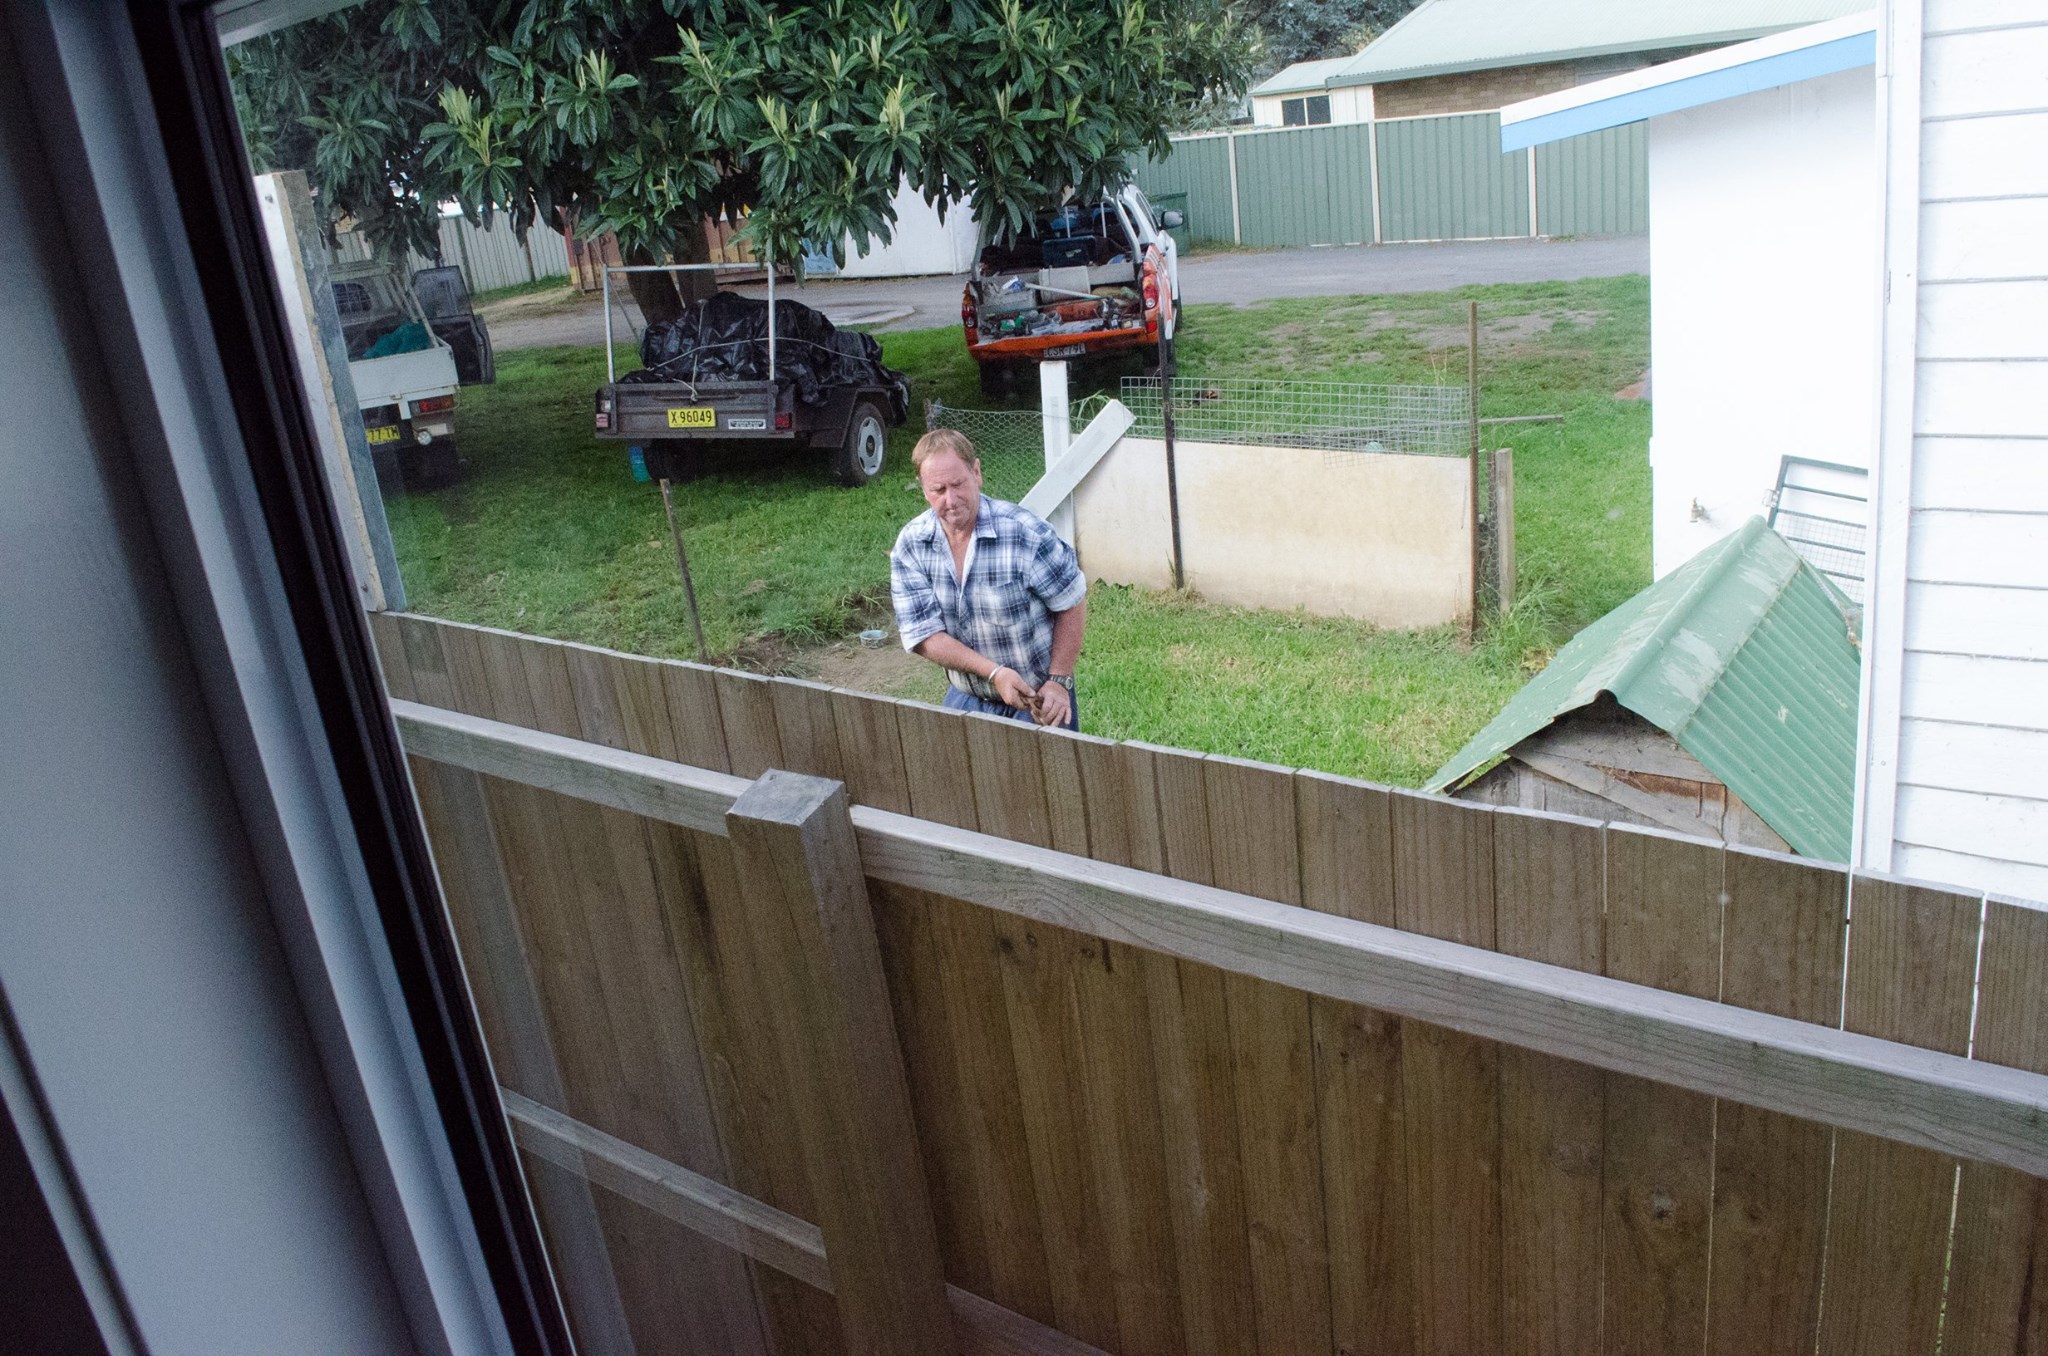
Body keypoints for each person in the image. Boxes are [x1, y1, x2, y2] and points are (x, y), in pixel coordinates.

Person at [890, 428, 1087, 729]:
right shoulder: (912, 545)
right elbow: (923, 635)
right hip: (967, 696)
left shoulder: (1025, 534)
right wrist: (994, 674)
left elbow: (1072, 601)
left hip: (1038, 699)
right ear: (923, 489)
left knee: (1048, 777)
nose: (951, 500)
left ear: (977, 473)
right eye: (938, 490)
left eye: (958, 484)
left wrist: (1059, 679)